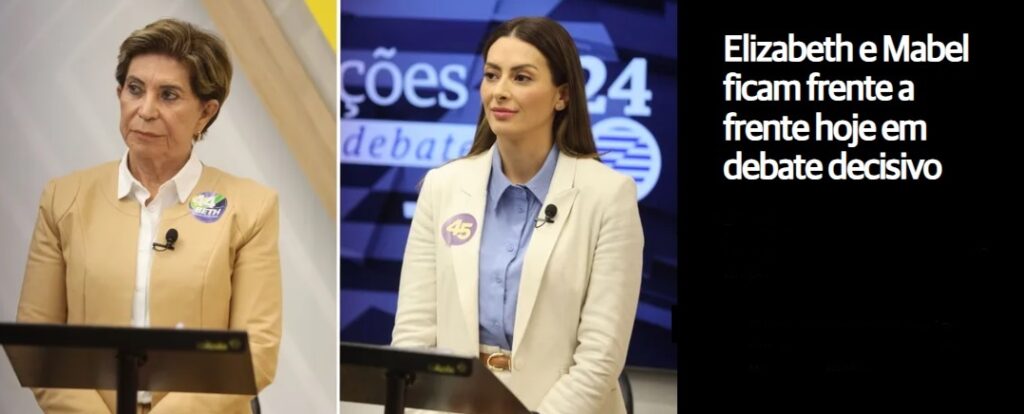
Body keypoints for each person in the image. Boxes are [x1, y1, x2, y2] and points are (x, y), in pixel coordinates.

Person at [16, 18, 281, 414]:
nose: (145, 110)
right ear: (119, 93)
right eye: (135, 89)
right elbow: (38, 343)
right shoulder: (63, 198)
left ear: (205, 113)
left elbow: (255, 351)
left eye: (169, 95)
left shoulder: (251, 207)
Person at [392, 16, 644, 414]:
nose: (499, 92)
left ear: (562, 95)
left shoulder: (609, 196)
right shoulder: (442, 187)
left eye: (521, 78)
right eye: (492, 76)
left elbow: (599, 360)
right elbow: (413, 334)